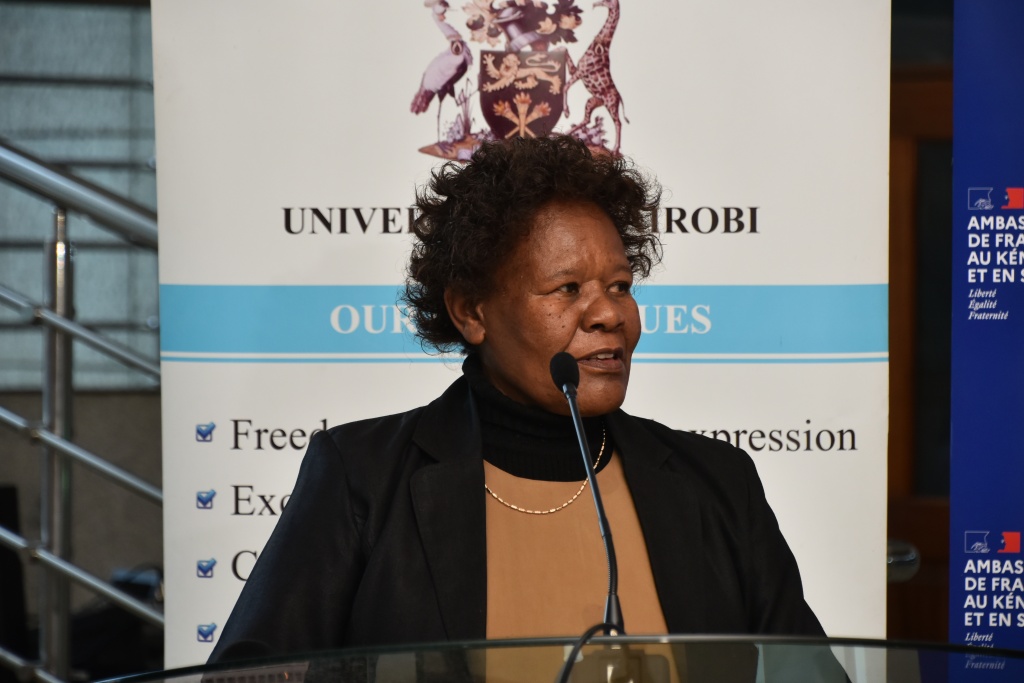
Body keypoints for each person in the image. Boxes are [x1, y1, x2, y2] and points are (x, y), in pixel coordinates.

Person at [208, 135, 825, 663]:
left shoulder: (717, 484)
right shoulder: (362, 477)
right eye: (568, 288)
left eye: (619, 285)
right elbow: (251, 675)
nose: (609, 314)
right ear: (471, 312)